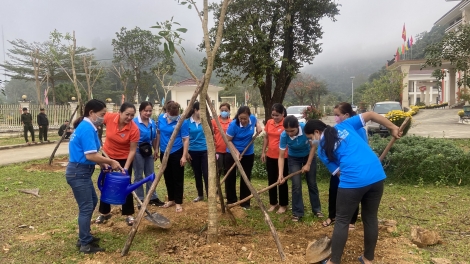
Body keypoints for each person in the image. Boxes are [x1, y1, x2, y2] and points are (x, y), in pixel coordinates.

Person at [304, 112, 401, 264]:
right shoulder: (344, 126)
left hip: (353, 181)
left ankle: (334, 261)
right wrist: (393, 127)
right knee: (370, 218)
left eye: (310, 138)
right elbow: (370, 115)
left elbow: (339, 174)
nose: (311, 142)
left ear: (317, 132)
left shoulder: (322, 151)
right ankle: (368, 259)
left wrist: (355, 185)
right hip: (376, 175)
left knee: (342, 220)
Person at [66, 99, 123, 254]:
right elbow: (90, 155)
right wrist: (110, 161)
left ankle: (85, 236)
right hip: (78, 172)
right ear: (91, 113)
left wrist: (102, 164)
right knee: (86, 207)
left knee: (92, 201)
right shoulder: (86, 128)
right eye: (101, 114)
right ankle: (84, 244)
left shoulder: (87, 126)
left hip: (81, 171)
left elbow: (92, 154)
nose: (103, 118)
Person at [323, 102, 367, 229]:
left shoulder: (359, 130)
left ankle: (351, 220)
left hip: (352, 169)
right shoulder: (336, 129)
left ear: (347, 115)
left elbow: (363, 149)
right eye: (334, 115)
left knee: (352, 193)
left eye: (337, 115)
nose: (335, 118)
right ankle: (332, 216)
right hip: (337, 167)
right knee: (333, 190)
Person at [95, 102, 140, 226]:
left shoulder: (134, 129)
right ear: (119, 112)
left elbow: (132, 150)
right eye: (127, 114)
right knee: (106, 182)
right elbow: (96, 120)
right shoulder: (109, 117)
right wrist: (95, 127)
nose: (129, 118)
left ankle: (129, 214)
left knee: (126, 185)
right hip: (107, 156)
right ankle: (104, 212)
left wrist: (125, 168)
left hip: (124, 159)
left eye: (132, 115)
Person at [278, 115, 322, 222]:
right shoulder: (284, 135)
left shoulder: (306, 129)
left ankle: (317, 210)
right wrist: (280, 174)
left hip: (308, 155)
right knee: (296, 185)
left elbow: (313, 146)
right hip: (294, 159)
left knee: (312, 183)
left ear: (298, 126)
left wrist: (308, 164)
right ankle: (297, 212)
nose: (289, 133)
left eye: (292, 130)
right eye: (287, 131)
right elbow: (281, 156)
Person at [225, 106, 262, 210]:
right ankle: (231, 201)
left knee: (245, 177)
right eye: (241, 118)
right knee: (230, 177)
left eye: (245, 118)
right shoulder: (233, 125)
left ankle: (245, 203)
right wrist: (236, 152)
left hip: (248, 153)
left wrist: (258, 126)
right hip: (232, 153)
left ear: (249, 116)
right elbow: (228, 140)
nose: (243, 120)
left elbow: (256, 121)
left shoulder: (252, 119)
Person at [156, 101, 189, 212]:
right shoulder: (161, 118)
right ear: (167, 111)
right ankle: (171, 199)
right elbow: (159, 134)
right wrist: (156, 149)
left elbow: (185, 139)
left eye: (176, 114)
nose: (174, 116)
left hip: (177, 151)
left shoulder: (182, 121)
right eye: (172, 114)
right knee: (168, 176)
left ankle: (178, 202)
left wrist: (184, 156)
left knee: (177, 178)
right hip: (163, 152)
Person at [133, 101, 165, 206]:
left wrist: (156, 150)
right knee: (138, 175)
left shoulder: (152, 123)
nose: (148, 113)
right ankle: (140, 199)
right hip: (137, 151)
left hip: (148, 152)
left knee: (151, 174)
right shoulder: (134, 122)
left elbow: (154, 138)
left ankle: (152, 197)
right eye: (145, 111)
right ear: (141, 111)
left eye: (150, 111)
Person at [260, 103, 289, 214]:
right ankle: (273, 203)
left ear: (283, 114)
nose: (275, 117)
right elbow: (266, 137)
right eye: (273, 115)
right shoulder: (269, 122)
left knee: (282, 180)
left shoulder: (286, 123)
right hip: (270, 155)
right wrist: (263, 152)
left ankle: (283, 204)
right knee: (271, 179)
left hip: (283, 156)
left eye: (277, 115)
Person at [185, 102, 209, 202]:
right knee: (197, 173)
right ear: (195, 110)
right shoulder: (187, 122)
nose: (202, 112)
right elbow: (184, 138)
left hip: (205, 151)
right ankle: (200, 195)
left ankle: (210, 194)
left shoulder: (206, 121)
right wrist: (186, 152)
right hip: (193, 151)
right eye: (201, 110)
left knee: (207, 173)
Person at [211, 103, 232, 178]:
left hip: (229, 150)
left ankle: (228, 189)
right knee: (218, 170)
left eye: (226, 110)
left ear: (229, 111)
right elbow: (211, 134)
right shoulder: (214, 121)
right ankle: (217, 188)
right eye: (222, 110)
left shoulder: (232, 122)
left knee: (228, 171)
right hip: (218, 150)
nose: (224, 112)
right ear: (219, 110)